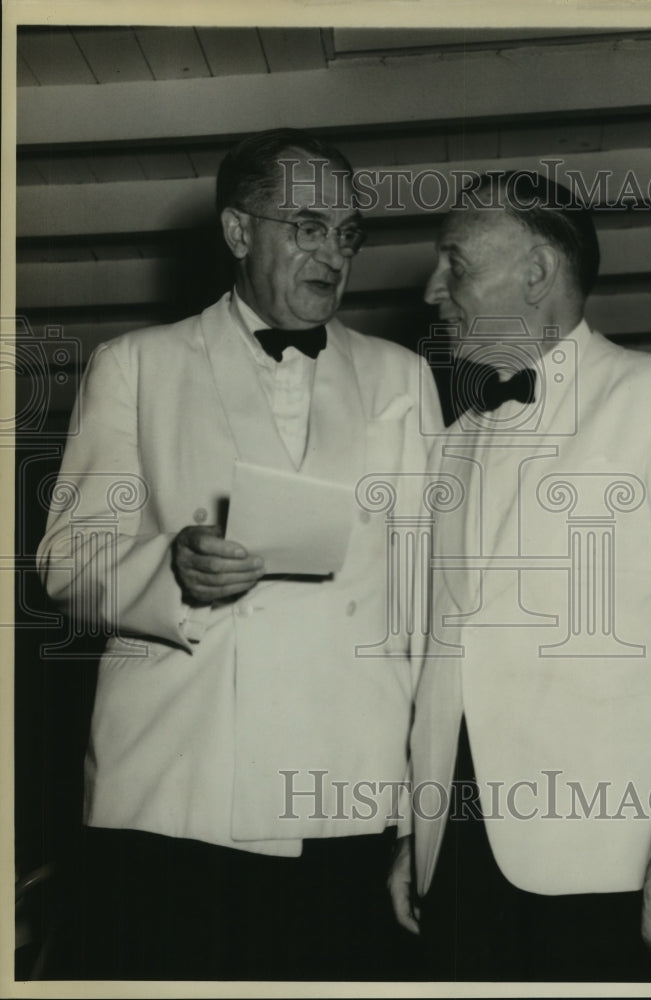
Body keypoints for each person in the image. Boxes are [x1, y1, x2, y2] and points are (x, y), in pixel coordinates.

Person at [36, 128, 442, 981]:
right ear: (236, 232)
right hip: (180, 786)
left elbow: (425, 596)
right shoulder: (135, 367)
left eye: (347, 233)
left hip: (348, 786)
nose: (332, 253)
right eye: (305, 226)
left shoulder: (404, 378)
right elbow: (68, 564)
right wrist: (168, 570)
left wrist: (422, 796)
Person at [388, 171, 651, 981]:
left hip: (613, 857)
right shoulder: (448, 443)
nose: (432, 290)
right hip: (455, 853)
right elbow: (437, 654)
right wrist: (409, 831)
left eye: (454, 264)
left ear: (536, 272)